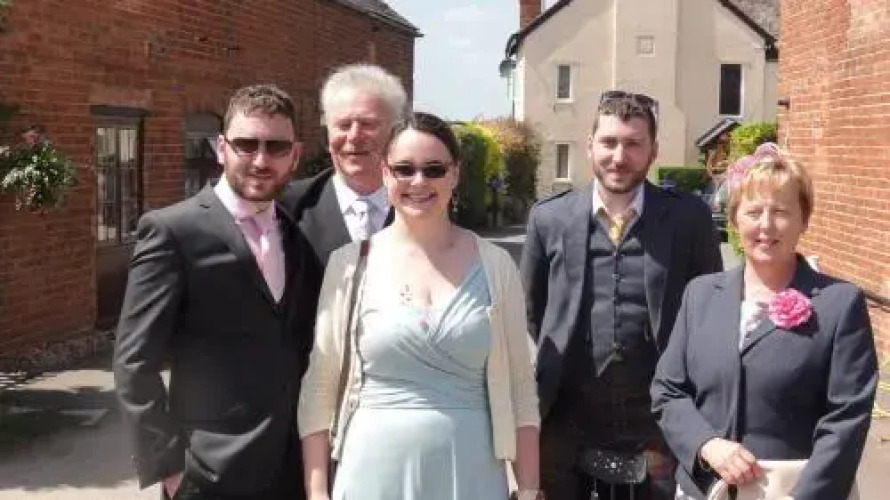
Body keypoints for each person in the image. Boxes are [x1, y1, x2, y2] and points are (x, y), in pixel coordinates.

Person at [298, 111, 542, 500]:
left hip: (472, 472)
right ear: (385, 173)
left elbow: (520, 387)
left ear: (455, 174)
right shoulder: (348, 264)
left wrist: (528, 489)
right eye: (404, 169)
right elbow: (320, 385)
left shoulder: (496, 265)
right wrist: (317, 492)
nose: (418, 181)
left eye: (434, 169)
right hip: (371, 473)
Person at [114, 84, 317, 500]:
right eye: (247, 145)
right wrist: (169, 467)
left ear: (295, 155)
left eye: (276, 147)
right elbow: (134, 361)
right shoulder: (173, 231)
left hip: (289, 470)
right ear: (222, 148)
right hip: (207, 475)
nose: (261, 160)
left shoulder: (297, 237)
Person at [521, 90, 723, 500]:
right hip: (566, 418)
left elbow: (709, 310)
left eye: (633, 144)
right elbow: (534, 310)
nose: (619, 156)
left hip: (659, 420)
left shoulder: (688, 218)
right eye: (609, 142)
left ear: (653, 151)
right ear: (590, 146)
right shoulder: (549, 218)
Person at [651, 144, 878, 500]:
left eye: (781, 211)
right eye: (754, 211)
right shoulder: (700, 294)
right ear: (734, 220)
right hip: (705, 490)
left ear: (804, 220)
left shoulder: (839, 303)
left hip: (793, 491)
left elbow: (847, 417)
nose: (766, 225)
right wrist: (706, 444)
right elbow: (667, 390)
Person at [281, 63, 407, 269]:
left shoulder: (420, 206)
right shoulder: (288, 208)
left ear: (395, 131)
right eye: (344, 125)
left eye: (367, 124)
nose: (354, 136)